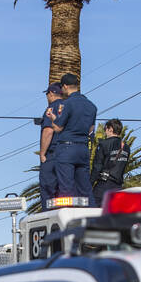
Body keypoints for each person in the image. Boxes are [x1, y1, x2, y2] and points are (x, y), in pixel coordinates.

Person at [46, 72, 98, 201]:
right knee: (85, 188)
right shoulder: (91, 106)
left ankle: (69, 218)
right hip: (83, 148)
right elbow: (91, 129)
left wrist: (52, 118)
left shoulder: (67, 104)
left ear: (65, 86)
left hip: (67, 148)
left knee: (66, 189)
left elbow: (58, 128)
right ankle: (91, 216)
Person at [91, 119, 131, 207]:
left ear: (110, 129)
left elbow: (97, 166)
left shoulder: (104, 144)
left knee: (93, 211)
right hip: (118, 187)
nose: (105, 132)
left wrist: (90, 184)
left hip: (103, 185)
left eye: (105, 129)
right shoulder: (126, 147)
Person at [37, 82, 64, 210]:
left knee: (48, 192)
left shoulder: (51, 109)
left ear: (52, 93)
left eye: (47, 94)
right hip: (67, 154)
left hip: (52, 155)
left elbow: (48, 131)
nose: (47, 96)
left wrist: (42, 154)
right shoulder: (69, 108)